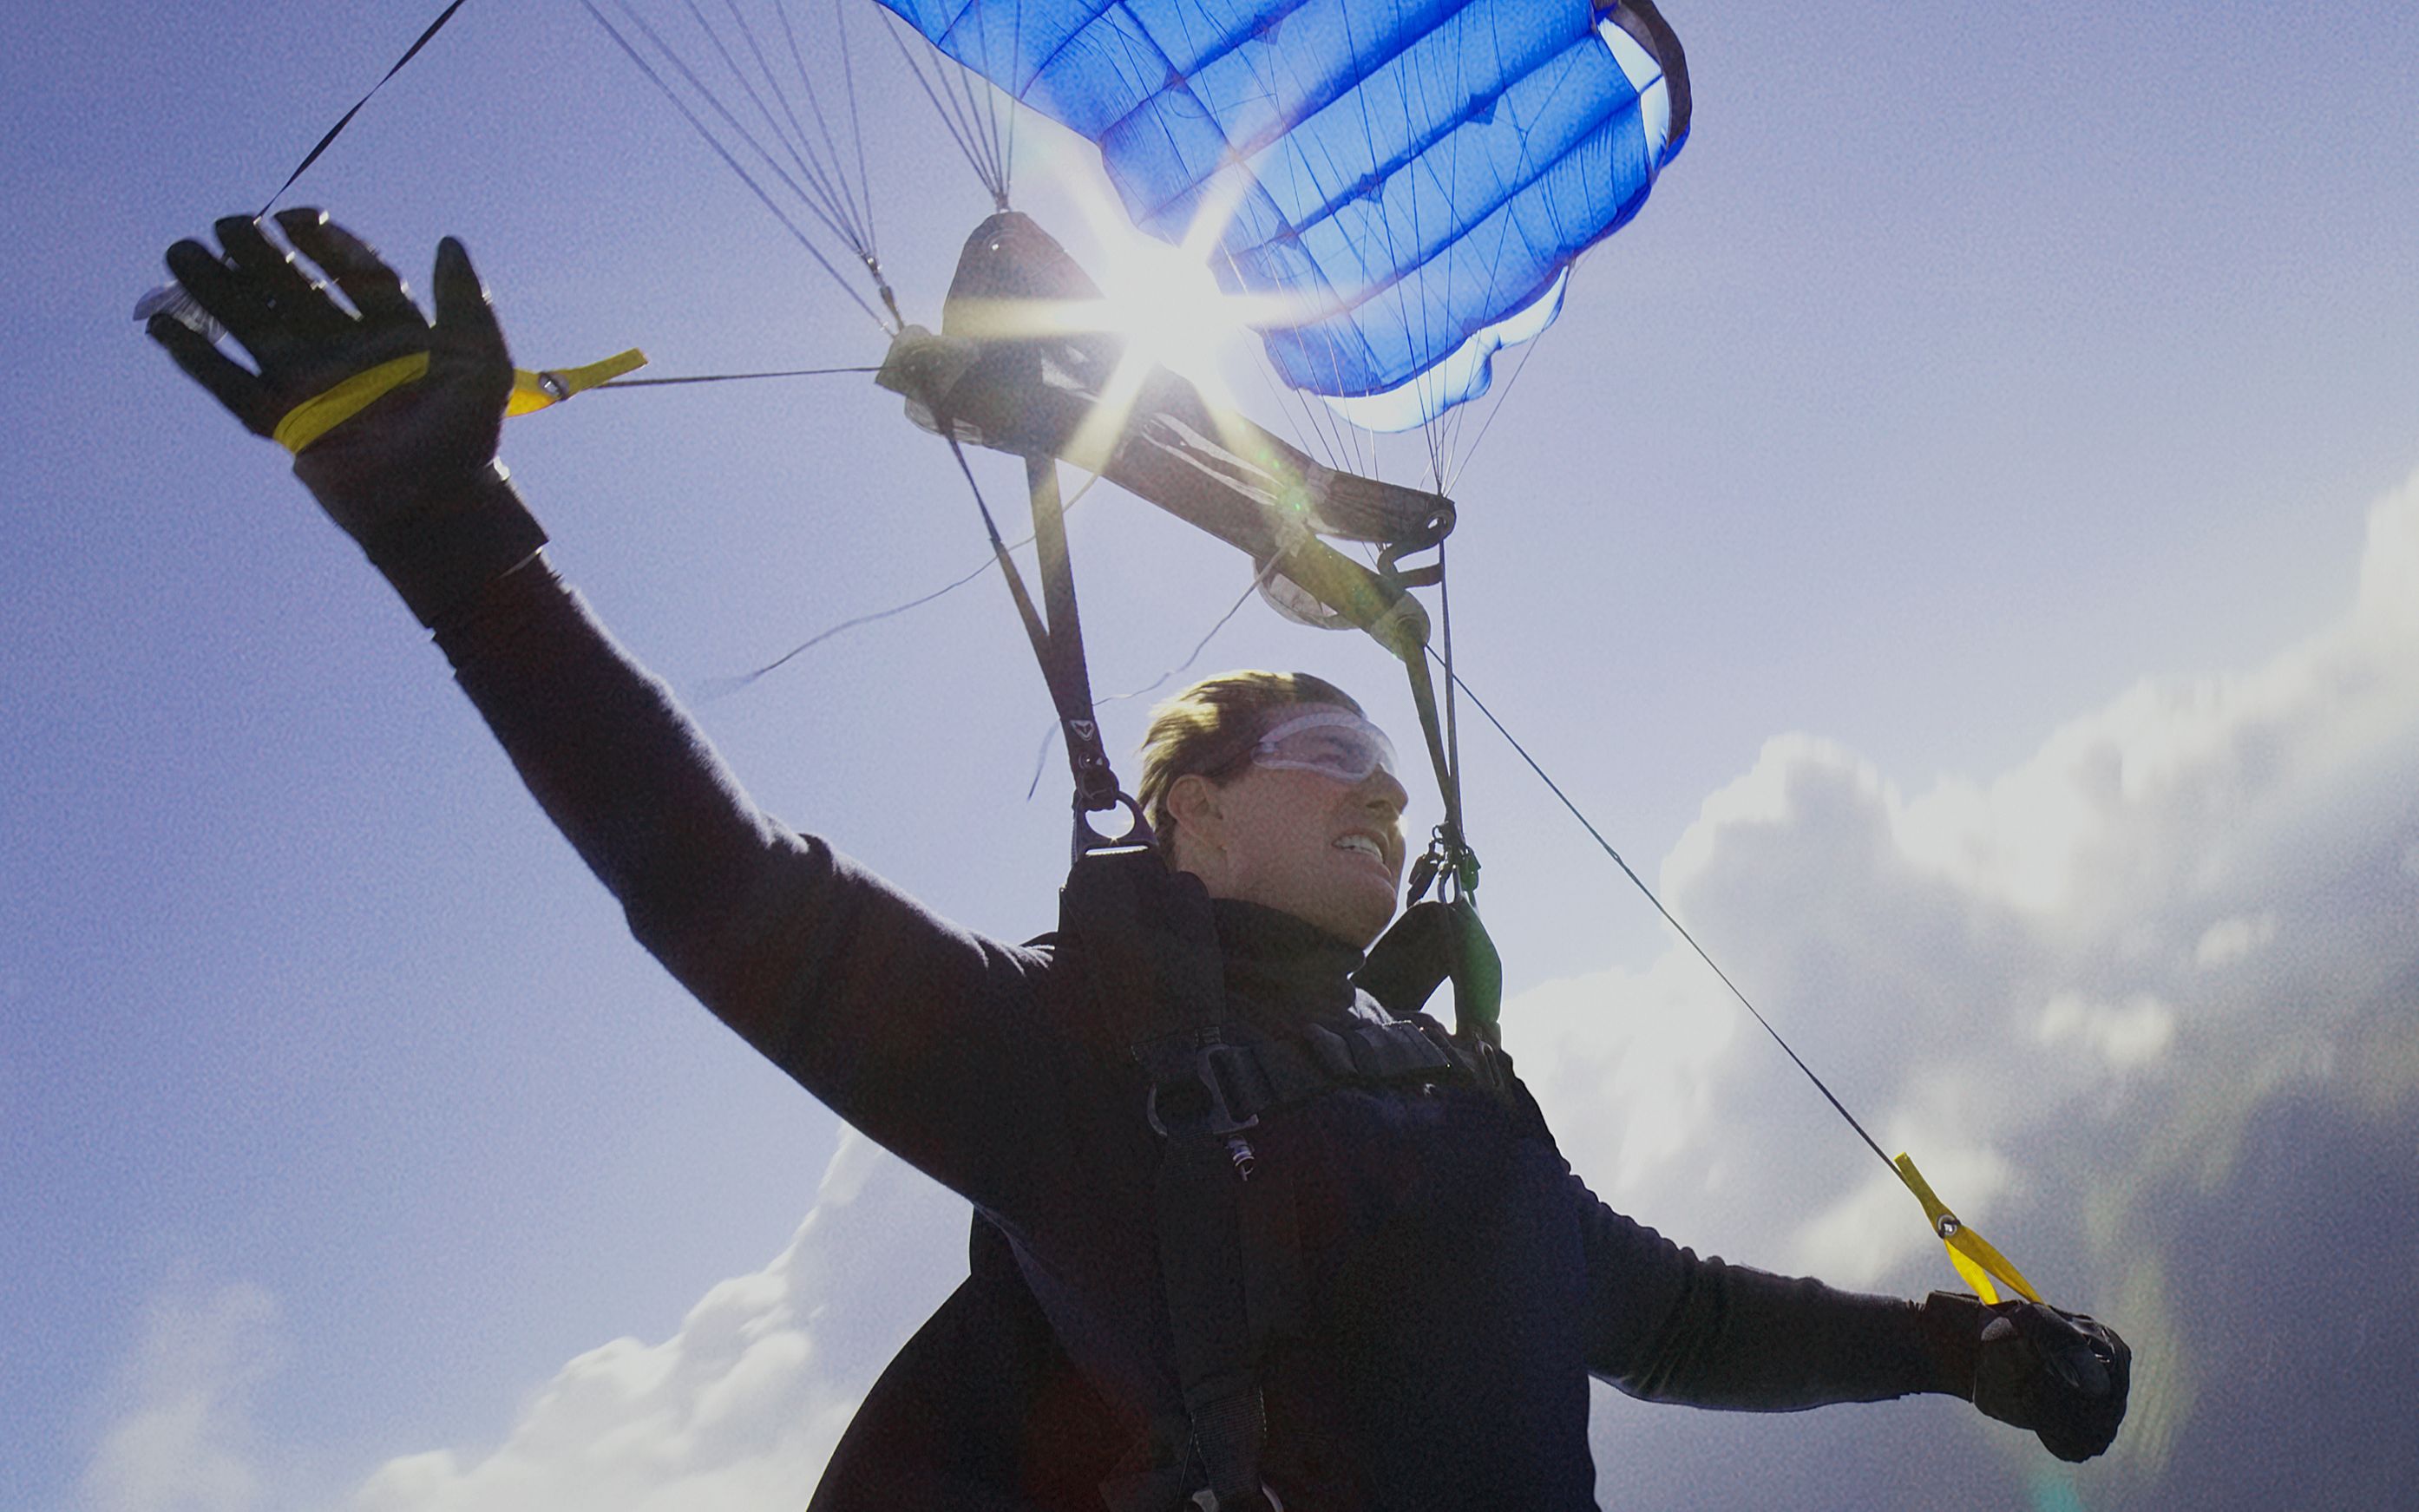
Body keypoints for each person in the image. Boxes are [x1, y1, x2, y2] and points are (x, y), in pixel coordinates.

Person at [148, 212, 2132, 1511]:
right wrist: (455, 545)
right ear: (1189, 816)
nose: (1381, 791)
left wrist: (1957, 1349)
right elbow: (725, 892)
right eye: (1324, 752)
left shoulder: (1450, 1092)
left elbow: (1669, 1319)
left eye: (1383, 762)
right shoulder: (1082, 1070)